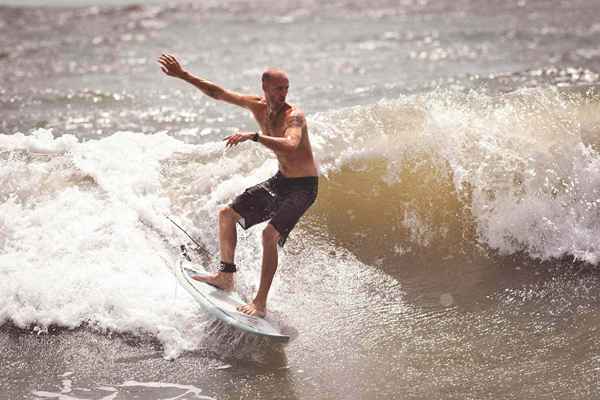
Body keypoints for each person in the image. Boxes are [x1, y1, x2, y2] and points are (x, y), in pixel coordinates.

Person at [159, 54, 319, 318]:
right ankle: (225, 276)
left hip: (303, 187)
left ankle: (260, 303)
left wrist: (255, 136)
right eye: (279, 89)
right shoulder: (257, 106)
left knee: (269, 235)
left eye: (286, 88)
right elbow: (218, 93)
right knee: (226, 214)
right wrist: (183, 75)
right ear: (265, 88)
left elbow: (291, 144)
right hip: (281, 181)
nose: (284, 93)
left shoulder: (295, 117)